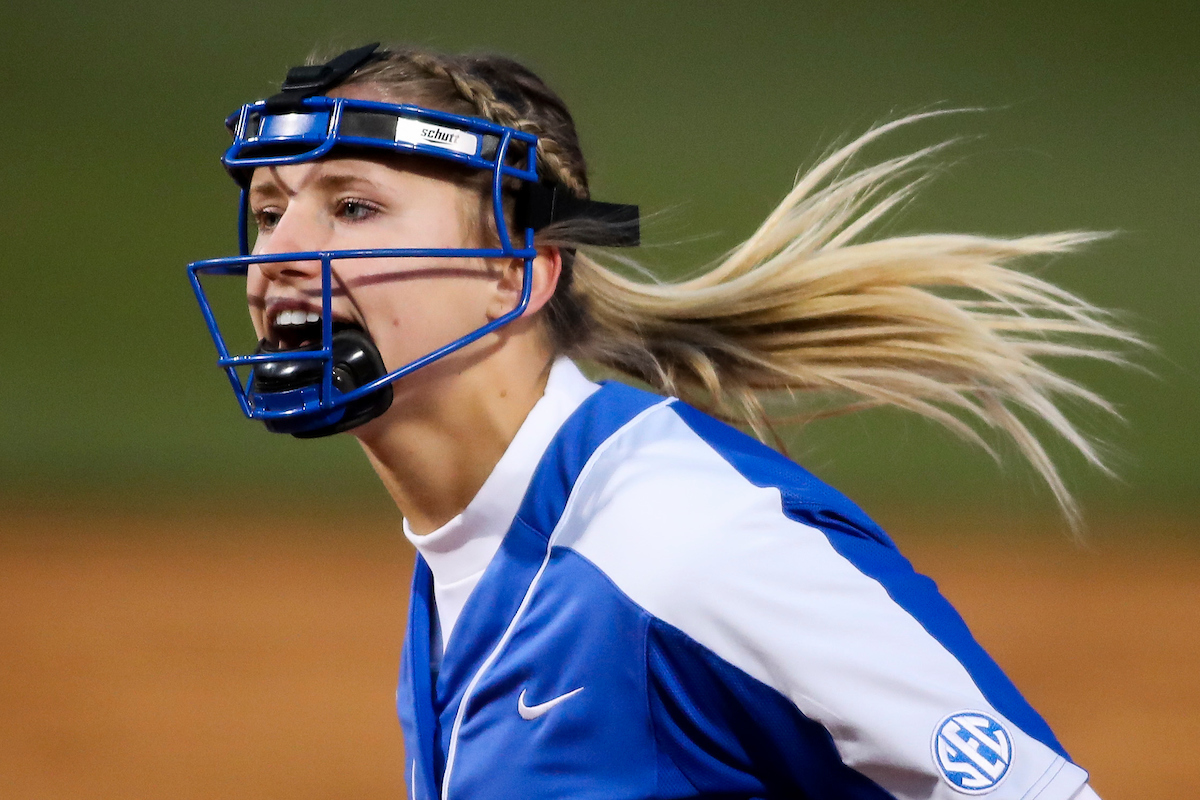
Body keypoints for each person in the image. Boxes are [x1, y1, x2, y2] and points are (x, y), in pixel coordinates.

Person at [188, 43, 1127, 799]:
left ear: (515, 274)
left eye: (353, 207)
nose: (279, 255)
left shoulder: (683, 545)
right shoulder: (472, 552)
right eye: (268, 211)